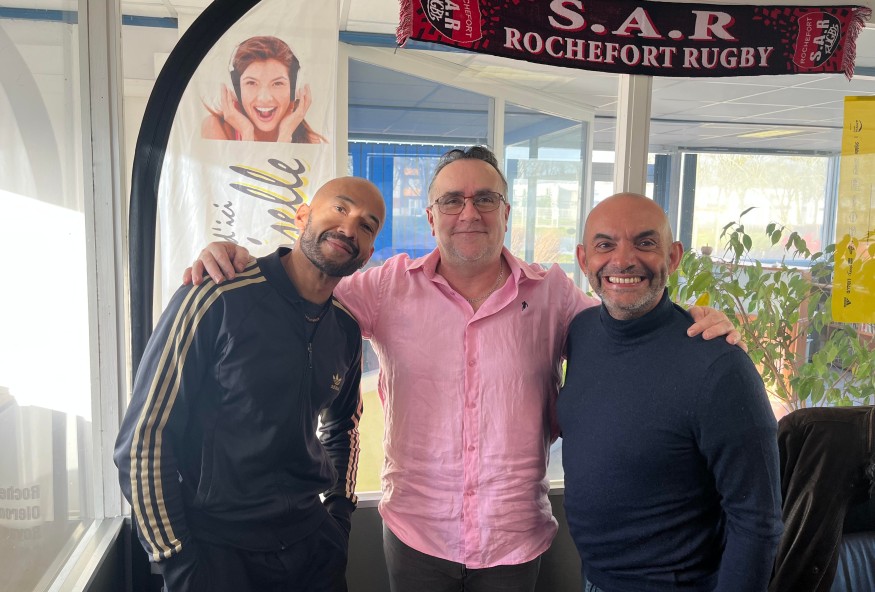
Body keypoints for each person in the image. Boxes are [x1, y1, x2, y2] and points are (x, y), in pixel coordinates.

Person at [186, 147, 742, 591]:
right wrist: (239, 261)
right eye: (452, 200)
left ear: (506, 213)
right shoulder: (386, 288)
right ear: (431, 218)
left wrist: (689, 320)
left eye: (486, 199)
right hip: (416, 537)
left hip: (513, 541)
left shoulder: (551, 293)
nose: (469, 213)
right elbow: (301, 289)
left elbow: (625, 319)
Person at [114, 177, 385, 592]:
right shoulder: (217, 296)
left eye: (367, 225)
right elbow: (143, 441)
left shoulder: (346, 329)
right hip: (217, 552)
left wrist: (339, 519)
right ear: (302, 216)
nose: (349, 228)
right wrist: (177, 560)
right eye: (340, 208)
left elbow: (342, 429)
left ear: (367, 254)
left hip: (313, 550)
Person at [559, 192, 782, 592]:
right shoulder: (581, 332)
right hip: (593, 578)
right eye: (605, 245)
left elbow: (757, 522)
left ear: (674, 256)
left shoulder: (720, 367)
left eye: (645, 242)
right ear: (583, 258)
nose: (623, 260)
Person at [202, 35, 326, 143]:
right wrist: (247, 132)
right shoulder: (215, 127)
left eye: (277, 83)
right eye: (251, 83)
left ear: (293, 89)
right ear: (236, 90)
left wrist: (285, 135)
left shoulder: (310, 140)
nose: (265, 99)